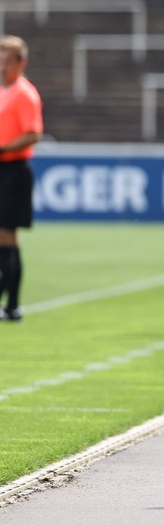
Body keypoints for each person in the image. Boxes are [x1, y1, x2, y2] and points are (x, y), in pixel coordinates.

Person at [0, 35, 43, 322]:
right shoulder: (3, 91)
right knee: (6, 238)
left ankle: (11, 302)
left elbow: (33, 133)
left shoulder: (24, 93)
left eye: (7, 60)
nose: (2, 66)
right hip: (3, 169)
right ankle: (12, 304)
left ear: (21, 63)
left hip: (13, 170)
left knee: (6, 236)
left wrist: (2, 148)